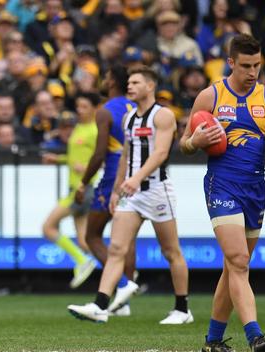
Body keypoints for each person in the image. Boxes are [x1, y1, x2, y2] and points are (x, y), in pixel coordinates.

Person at [179, 34, 265, 352]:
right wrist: (196, 140)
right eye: (246, 65)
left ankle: (213, 342)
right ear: (231, 63)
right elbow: (184, 144)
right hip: (222, 185)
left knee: (233, 268)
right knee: (239, 262)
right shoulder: (210, 95)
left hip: (255, 188)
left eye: (257, 65)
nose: (252, 71)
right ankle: (254, 336)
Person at [67, 66, 192, 325]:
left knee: (171, 251)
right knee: (116, 249)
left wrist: (136, 178)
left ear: (150, 86)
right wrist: (116, 189)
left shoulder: (164, 115)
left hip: (157, 191)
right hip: (130, 194)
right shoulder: (130, 118)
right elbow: (124, 155)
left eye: (136, 82)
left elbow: (160, 153)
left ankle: (182, 308)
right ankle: (100, 305)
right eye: (129, 82)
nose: (130, 86)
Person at [73, 64, 139, 316]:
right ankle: (124, 301)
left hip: (112, 177)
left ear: (112, 80)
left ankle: (122, 285)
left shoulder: (105, 111)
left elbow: (100, 153)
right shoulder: (136, 108)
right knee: (126, 239)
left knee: (92, 236)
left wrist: (83, 182)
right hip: (136, 178)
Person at [41, 92, 101, 288]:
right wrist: (57, 159)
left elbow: (103, 158)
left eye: (84, 106)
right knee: (85, 242)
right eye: (78, 106)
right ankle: (123, 277)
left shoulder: (94, 130)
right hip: (77, 188)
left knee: (48, 227)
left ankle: (83, 261)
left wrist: (89, 169)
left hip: (82, 189)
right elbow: (76, 157)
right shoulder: (79, 128)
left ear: (93, 108)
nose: (79, 110)